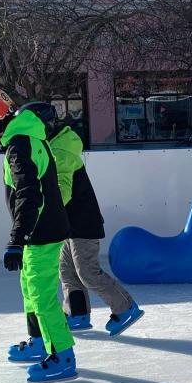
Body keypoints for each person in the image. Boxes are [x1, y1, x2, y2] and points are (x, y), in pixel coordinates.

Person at [0, 86, 77, 383]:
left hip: (42, 231)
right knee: (29, 287)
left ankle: (62, 355)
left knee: (41, 294)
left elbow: (30, 195)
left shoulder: (19, 144)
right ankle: (39, 341)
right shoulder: (23, 137)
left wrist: (16, 239)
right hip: (37, 229)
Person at [59, 127, 144, 337]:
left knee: (87, 272)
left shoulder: (60, 152)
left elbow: (62, 192)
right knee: (67, 271)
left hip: (83, 223)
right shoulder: (53, 150)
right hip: (68, 224)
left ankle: (125, 308)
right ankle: (76, 313)